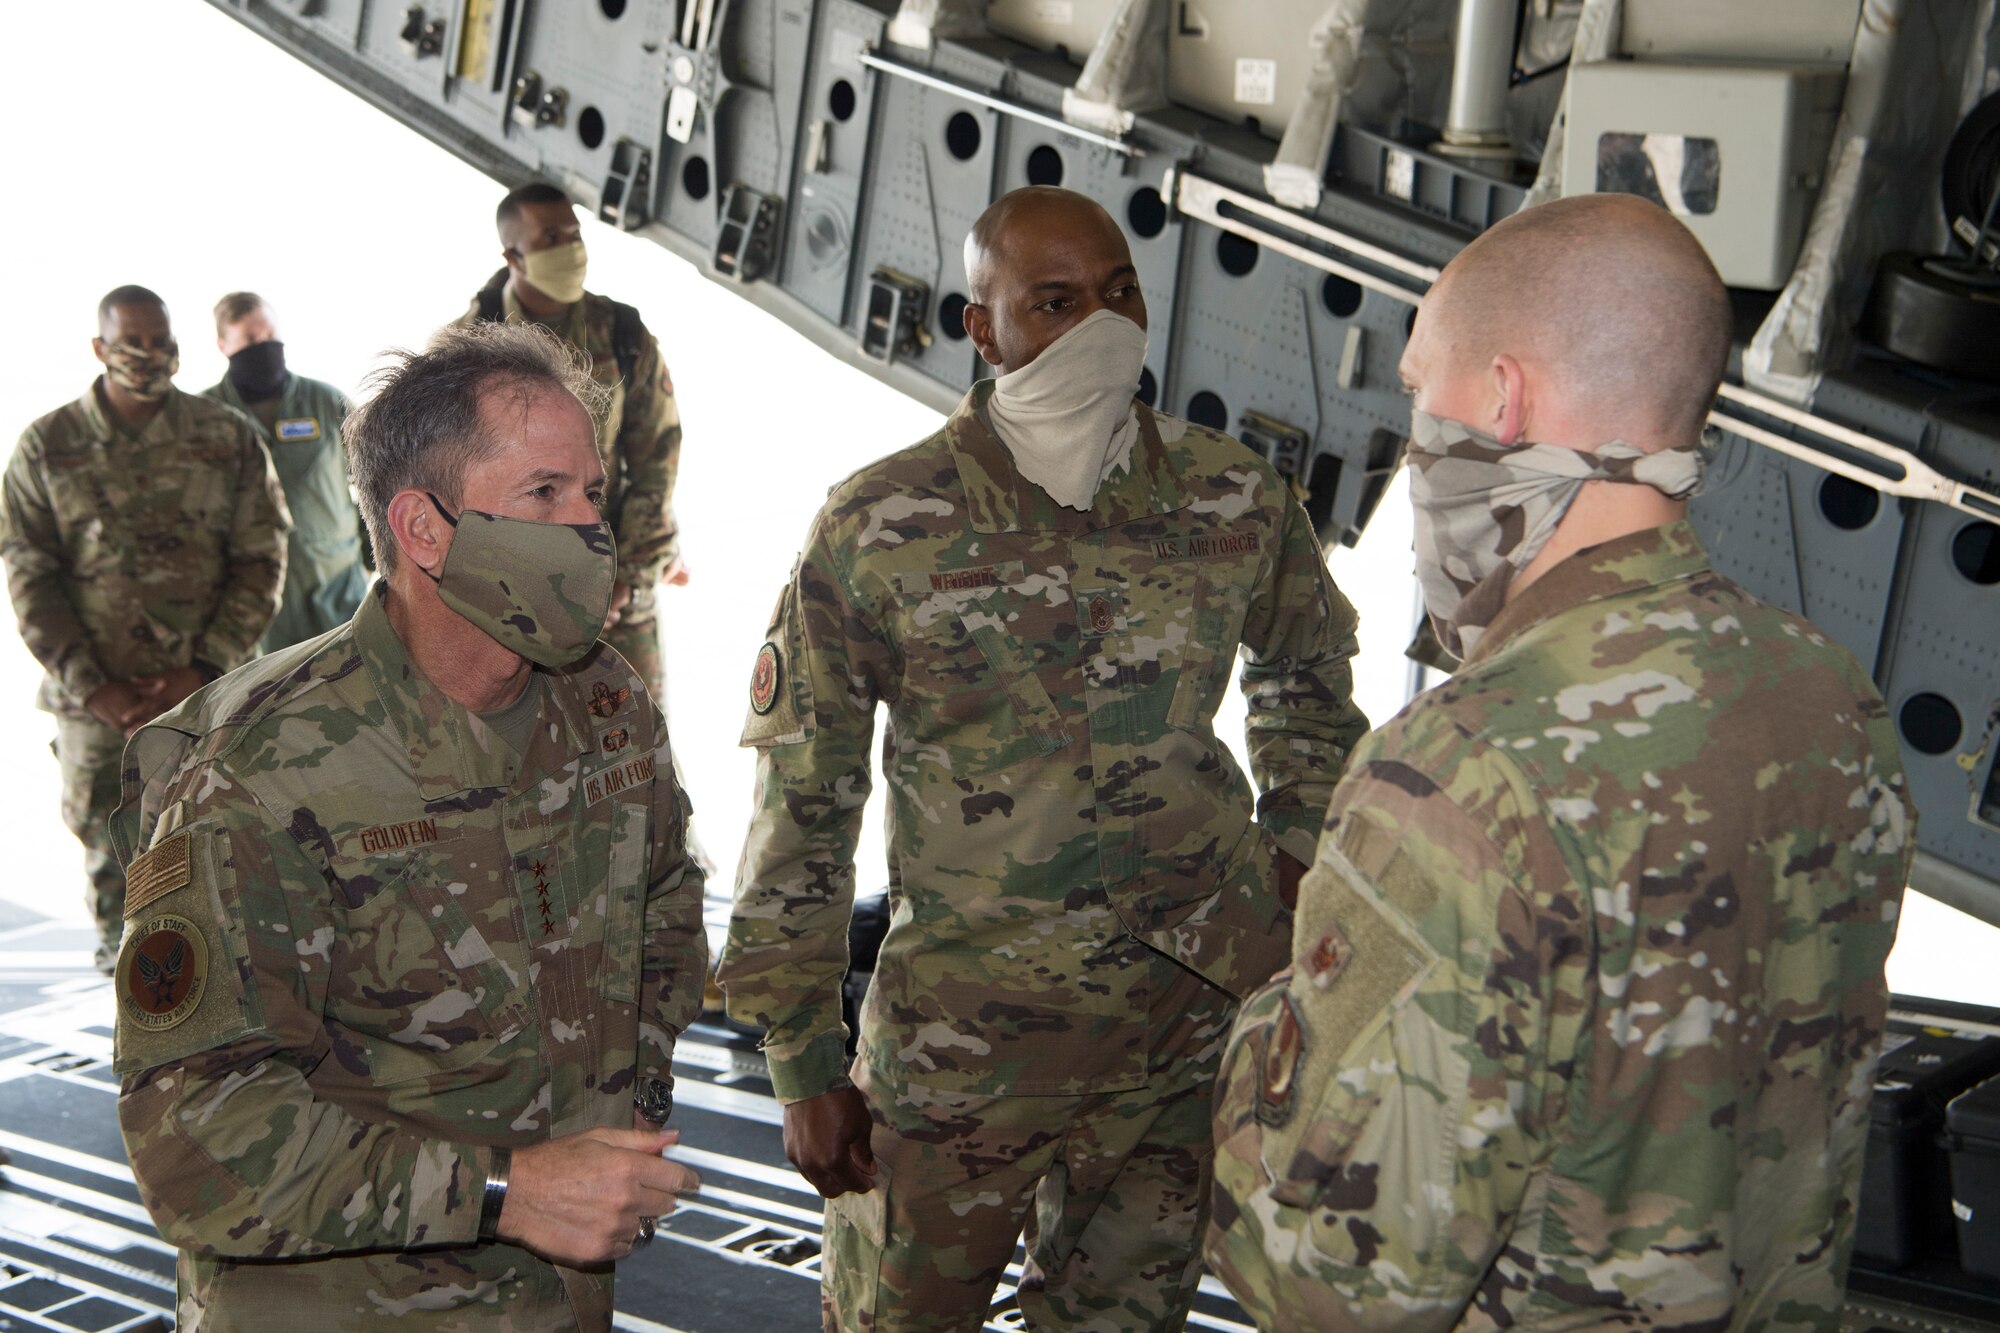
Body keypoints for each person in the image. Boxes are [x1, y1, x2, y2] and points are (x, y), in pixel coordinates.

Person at [1206, 194, 1917, 1331]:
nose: (1413, 431)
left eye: (1415, 390)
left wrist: (1264, 1030)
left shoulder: (1459, 772)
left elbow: (1336, 1287)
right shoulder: (1825, 698)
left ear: (1500, 398)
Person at [720, 185, 1369, 1332]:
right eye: (1057, 301)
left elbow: (1309, 679)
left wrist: (1297, 842)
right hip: (960, 1048)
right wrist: (800, 1055)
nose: (1102, 324)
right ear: (984, 327)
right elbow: (804, 794)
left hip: (1177, 1041)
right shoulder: (882, 521)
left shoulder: (1230, 494)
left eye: (1120, 292)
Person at [110, 322, 708, 1330]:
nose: (589, 531)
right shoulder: (257, 767)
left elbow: (664, 904)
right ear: (424, 529)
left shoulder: (603, 703)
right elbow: (194, 1140)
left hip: (557, 1301)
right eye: (543, 496)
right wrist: (506, 1192)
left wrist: (626, 1097)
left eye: (592, 494)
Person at [1, 285, 287, 971]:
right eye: (133, 341)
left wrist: (205, 667)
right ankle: (130, 1010)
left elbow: (262, 557)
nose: (151, 354)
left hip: (207, 700)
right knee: (115, 874)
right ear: (100, 348)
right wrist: (90, 682)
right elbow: (28, 571)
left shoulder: (225, 438)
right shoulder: (49, 446)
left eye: (162, 340)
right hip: (98, 706)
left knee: (222, 862)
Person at [458, 182, 686, 702]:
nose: (570, 248)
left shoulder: (623, 333)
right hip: (512, 600)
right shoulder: (469, 349)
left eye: (575, 233)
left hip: (617, 589)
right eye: (551, 237)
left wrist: (626, 577)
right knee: (523, 753)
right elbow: (455, 484)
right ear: (513, 255)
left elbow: (658, 462)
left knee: (637, 750)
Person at [204, 291, 371, 651]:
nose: (264, 346)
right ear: (223, 344)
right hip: (249, 610)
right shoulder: (205, 416)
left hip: (336, 595)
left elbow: (379, 479)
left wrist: (376, 552)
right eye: (250, 339)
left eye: (270, 335)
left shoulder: (327, 403)